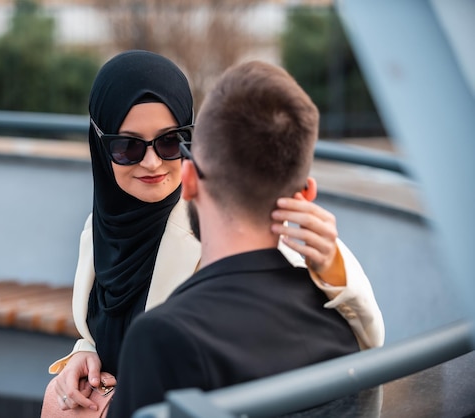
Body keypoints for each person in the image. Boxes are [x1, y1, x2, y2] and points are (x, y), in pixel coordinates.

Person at [42, 50, 384, 415]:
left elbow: (359, 334)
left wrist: (333, 262)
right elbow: (109, 331)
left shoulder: (224, 225)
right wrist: (86, 354)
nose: (152, 161)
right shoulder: (97, 230)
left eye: (170, 141)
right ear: (99, 144)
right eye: (127, 146)